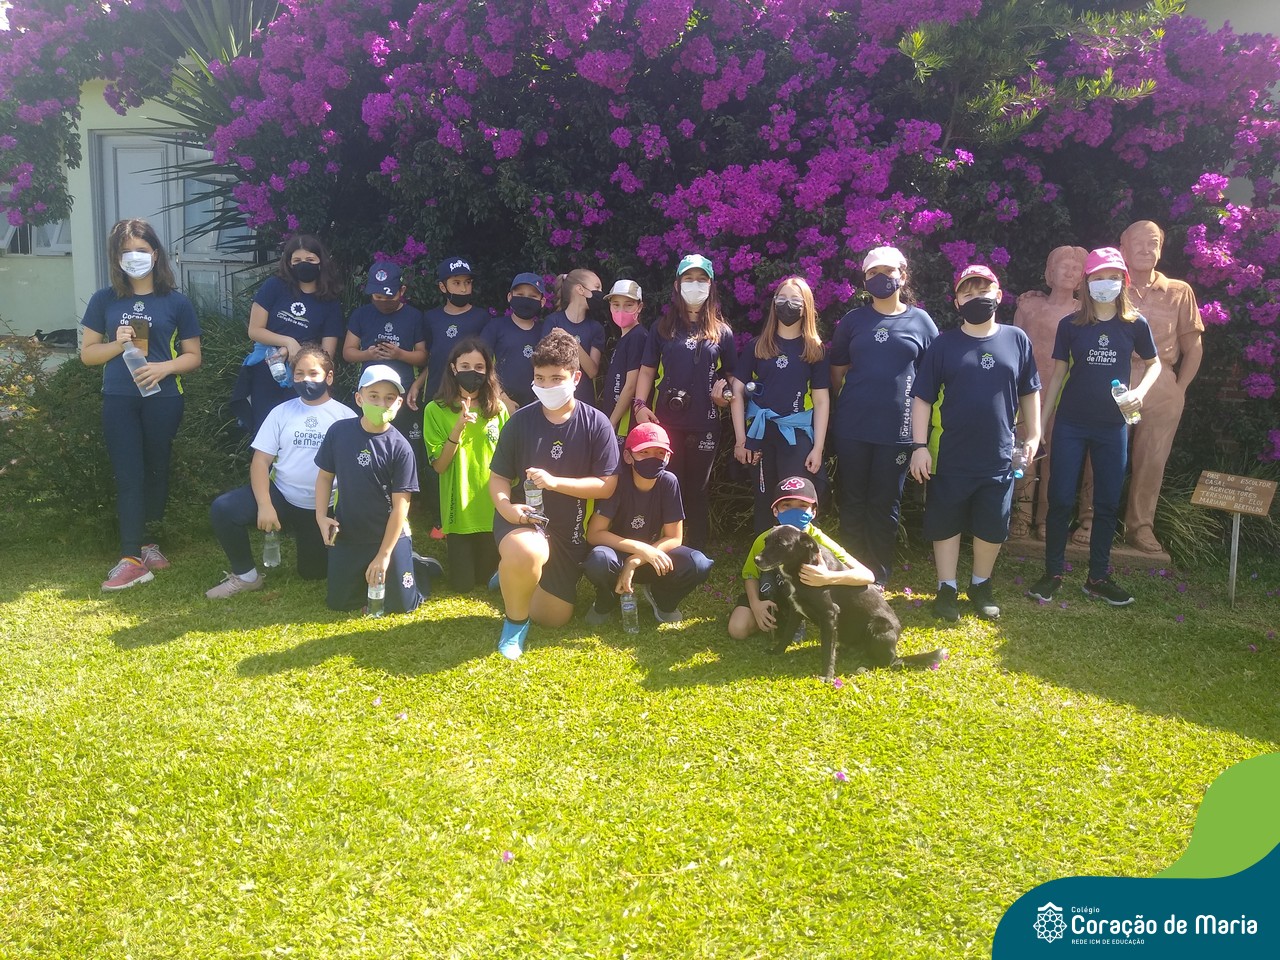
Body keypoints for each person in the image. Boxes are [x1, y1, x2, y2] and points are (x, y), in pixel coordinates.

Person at [908, 265, 1041, 622]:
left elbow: (1030, 390)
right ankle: (946, 588)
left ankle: (981, 586)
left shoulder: (1017, 340)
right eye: (967, 293)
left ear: (999, 295)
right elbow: (922, 398)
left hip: (998, 454)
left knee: (992, 524)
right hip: (950, 454)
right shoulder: (944, 345)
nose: (976, 298)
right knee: (945, 522)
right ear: (956, 302)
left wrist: (1034, 434)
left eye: (983, 291)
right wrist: (919, 447)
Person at [1029, 248, 1161, 606]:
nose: (1106, 283)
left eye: (1113, 277)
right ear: (1087, 282)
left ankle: (1098, 577)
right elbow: (1058, 375)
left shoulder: (1135, 324)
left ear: (1124, 281)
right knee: (1059, 499)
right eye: (1099, 277)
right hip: (1070, 423)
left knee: (1106, 502)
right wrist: (1040, 426)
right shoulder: (1070, 325)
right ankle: (1052, 573)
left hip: (1112, 426)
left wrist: (1139, 393)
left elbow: (1154, 364)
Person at [79, 217, 202, 591]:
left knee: (156, 470)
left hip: (164, 399)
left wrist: (164, 367)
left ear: (156, 253)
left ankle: (149, 544)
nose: (134, 257)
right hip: (119, 399)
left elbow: (193, 356)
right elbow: (88, 355)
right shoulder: (104, 300)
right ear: (116, 258)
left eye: (141, 250)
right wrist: (118, 344)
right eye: (126, 251)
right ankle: (131, 557)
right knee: (129, 474)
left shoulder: (177, 302)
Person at [488, 329, 620, 659]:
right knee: (527, 552)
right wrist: (507, 509)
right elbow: (498, 478)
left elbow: (607, 485)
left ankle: (511, 576)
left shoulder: (597, 424)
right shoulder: (519, 422)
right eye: (540, 378)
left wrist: (554, 482)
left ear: (576, 378)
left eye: (556, 378)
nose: (547, 386)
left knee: (554, 618)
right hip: (524, 521)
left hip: (566, 532)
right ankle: (514, 625)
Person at [206, 345, 357, 598]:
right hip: (282, 498)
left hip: (323, 508)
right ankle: (247, 577)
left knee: (313, 573)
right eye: (299, 374)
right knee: (224, 509)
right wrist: (265, 505)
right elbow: (260, 461)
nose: (305, 380)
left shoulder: (346, 417)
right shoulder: (281, 412)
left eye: (313, 373)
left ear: (329, 377)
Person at [828, 246, 938, 585]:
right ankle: (848, 574)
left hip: (898, 432)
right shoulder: (853, 321)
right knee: (852, 501)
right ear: (864, 281)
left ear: (902, 276)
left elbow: (931, 378)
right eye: (873, 273)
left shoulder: (921, 322)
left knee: (885, 504)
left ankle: (877, 577)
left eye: (888, 272)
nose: (881, 278)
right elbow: (836, 372)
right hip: (852, 427)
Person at [632, 254, 737, 550]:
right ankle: (662, 546)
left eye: (702, 279)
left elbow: (733, 377)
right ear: (677, 285)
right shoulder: (662, 328)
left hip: (705, 423)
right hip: (665, 423)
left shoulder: (723, 332)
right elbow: (647, 370)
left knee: (697, 489)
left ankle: (696, 553)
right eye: (688, 279)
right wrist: (640, 405)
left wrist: (725, 395)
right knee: (667, 483)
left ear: (711, 286)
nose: (695, 285)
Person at [314, 364, 438, 614]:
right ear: (359, 398)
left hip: (389, 536)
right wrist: (321, 516)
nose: (381, 404)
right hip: (349, 534)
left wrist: (384, 555)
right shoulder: (338, 432)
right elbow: (325, 477)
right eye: (374, 396)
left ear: (399, 403)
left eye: (389, 398)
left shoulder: (401, 448)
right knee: (339, 604)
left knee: (402, 605)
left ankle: (418, 567)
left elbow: (401, 507)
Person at [583, 422, 714, 625]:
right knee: (599, 560)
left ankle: (662, 598)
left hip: (653, 557)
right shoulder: (618, 482)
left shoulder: (669, 482)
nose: (653, 458)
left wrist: (636, 560)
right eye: (644, 453)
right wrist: (640, 549)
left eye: (660, 453)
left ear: (668, 457)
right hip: (616, 555)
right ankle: (607, 599)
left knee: (698, 563)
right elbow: (595, 533)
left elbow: (674, 537)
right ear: (628, 456)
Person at [732, 276, 830, 534]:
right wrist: (741, 440)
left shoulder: (815, 349)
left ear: (806, 307)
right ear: (774, 303)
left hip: (796, 437)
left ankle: (799, 555)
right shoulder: (757, 346)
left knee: (796, 501)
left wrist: (818, 448)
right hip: (760, 436)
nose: (788, 304)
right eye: (782, 298)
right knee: (764, 500)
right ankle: (764, 554)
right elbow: (737, 392)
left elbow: (821, 400)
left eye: (795, 300)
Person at [727, 477, 875, 641]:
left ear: (814, 512)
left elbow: (867, 575)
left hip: (804, 597)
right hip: (771, 594)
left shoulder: (817, 540)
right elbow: (750, 575)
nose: (794, 511)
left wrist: (828, 578)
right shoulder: (766, 538)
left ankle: (797, 615)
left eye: (802, 505)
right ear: (775, 511)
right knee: (737, 629)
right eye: (787, 505)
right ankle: (773, 614)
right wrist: (756, 604)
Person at [408, 256, 492, 537]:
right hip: (437, 395)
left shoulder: (481, 318)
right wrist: (418, 384)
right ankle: (440, 517)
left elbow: (486, 361)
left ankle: (469, 511)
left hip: (470, 395)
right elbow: (433, 358)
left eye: (467, 283)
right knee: (435, 456)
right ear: (442, 287)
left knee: (466, 454)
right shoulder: (431, 318)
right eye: (456, 283)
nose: (463, 288)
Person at [1011, 245, 1087, 539]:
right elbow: (1014, 347)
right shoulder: (1029, 306)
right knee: (1024, 455)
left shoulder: (1085, 312)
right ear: (1050, 272)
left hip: (1065, 394)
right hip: (1028, 390)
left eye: (1076, 268)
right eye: (1063, 266)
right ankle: (1020, 515)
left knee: (1057, 459)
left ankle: (1046, 519)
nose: (1070, 272)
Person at [422, 338, 509, 592]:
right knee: (463, 585)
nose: (473, 372)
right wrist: (458, 428)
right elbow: (439, 466)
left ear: (488, 370)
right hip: (458, 511)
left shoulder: (498, 409)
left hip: (491, 509)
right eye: (465, 366)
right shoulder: (435, 410)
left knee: (486, 581)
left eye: (479, 367)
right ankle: (424, 564)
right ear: (453, 368)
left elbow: (508, 461)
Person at [245, 234, 343, 433]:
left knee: (297, 430)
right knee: (264, 428)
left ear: (321, 262)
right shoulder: (274, 287)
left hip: (304, 375)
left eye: (310, 259)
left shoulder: (330, 302)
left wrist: (297, 353)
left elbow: (327, 354)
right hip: (267, 366)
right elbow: (254, 331)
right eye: (297, 260)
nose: (303, 264)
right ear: (289, 263)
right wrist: (288, 343)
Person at [343, 260, 428, 472]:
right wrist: (368, 354)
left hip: (403, 392)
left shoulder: (414, 316)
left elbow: (423, 356)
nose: (382, 302)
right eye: (377, 297)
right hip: (370, 392)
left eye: (389, 297)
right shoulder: (362, 315)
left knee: (406, 444)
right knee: (370, 443)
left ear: (402, 291)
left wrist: (399, 354)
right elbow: (348, 352)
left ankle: (408, 487)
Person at [541, 268, 607, 405]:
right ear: (580, 289)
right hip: (555, 399)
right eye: (597, 287)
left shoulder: (596, 328)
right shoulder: (552, 321)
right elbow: (546, 363)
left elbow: (592, 371)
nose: (600, 292)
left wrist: (569, 339)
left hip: (584, 402)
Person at [482, 272, 545, 412]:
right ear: (510, 296)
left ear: (542, 302)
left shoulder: (544, 332)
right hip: (500, 405)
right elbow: (482, 364)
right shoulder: (495, 327)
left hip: (538, 407)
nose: (526, 299)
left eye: (533, 296)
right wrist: (502, 398)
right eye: (520, 295)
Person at [598, 279, 648, 442]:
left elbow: (631, 385)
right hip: (615, 418)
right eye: (616, 305)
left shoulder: (638, 337)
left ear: (639, 307)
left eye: (628, 305)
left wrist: (611, 422)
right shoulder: (625, 337)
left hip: (623, 423)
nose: (621, 310)